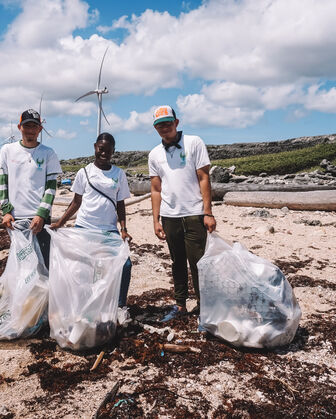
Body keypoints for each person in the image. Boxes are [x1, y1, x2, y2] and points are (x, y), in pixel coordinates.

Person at [148, 105, 216, 322]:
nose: (164, 128)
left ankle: (205, 307)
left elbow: (204, 177)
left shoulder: (194, 142)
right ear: (155, 128)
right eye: (159, 125)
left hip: (195, 213)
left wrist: (208, 212)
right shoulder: (154, 154)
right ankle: (180, 305)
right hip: (170, 216)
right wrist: (155, 220)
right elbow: (156, 189)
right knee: (177, 261)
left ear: (176, 123)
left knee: (199, 262)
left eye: (168, 123)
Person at [50, 132, 133, 307]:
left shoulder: (119, 174)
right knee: (81, 269)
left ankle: (119, 306)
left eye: (108, 151)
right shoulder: (84, 172)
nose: (104, 154)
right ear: (95, 147)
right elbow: (76, 202)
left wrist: (123, 229)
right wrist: (60, 222)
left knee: (124, 265)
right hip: (84, 228)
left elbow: (120, 204)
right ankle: (82, 304)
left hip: (109, 230)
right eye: (101, 149)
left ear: (113, 152)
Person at [0, 109, 62, 269]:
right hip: (15, 220)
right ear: (19, 127)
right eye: (27, 126)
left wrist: (41, 215)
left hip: (39, 220)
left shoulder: (49, 153)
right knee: (22, 266)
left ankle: (44, 295)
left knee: (44, 265)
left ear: (40, 129)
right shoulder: (7, 150)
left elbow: (51, 187)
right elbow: (2, 183)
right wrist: (5, 211)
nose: (30, 131)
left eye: (34, 127)